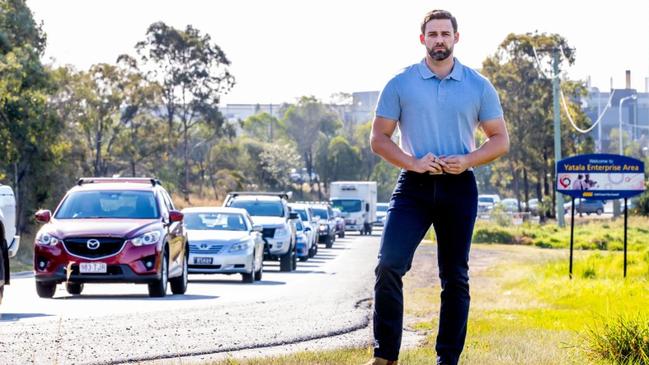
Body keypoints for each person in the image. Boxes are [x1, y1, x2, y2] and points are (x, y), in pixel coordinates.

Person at [366, 10, 509, 365]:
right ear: (422, 39)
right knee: (388, 264)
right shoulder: (401, 83)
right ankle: (385, 356)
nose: (439, 40)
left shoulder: (478, 85)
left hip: (459, 187)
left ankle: (447, 359)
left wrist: (469, 160)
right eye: (433, 34)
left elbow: (500, 139)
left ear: (456, 38)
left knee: (455, 276)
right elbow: (378, 138)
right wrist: (411, 162)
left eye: (445, 34)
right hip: (413, 186)